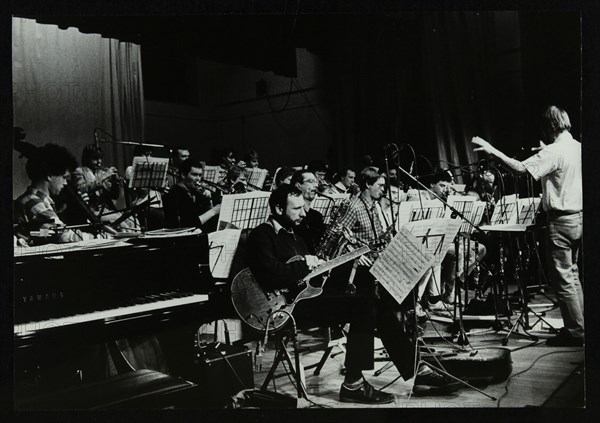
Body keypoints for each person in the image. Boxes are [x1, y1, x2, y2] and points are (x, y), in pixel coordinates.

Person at [246, 185, 395, 403]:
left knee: (372, 300)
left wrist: (331, 266)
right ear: (278, 208)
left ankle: (413, 365)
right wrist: (306, 263)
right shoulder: (262, 235)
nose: (304, 213)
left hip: (306, 298)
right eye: (296, 208)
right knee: (363, 306)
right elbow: (271, 275)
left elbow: (310, 278)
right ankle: (354, 385)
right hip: (284, 308)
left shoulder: (295, 237)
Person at [331, 167, 460, 396]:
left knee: (395, 303)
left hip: (374, 267)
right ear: (368, 185)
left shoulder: (374, 207)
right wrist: (357, 250)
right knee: (380, 311)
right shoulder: (354, 206)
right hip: (357, 272)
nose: (383, 189)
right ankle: (414, 366)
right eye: (380, 185)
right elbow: (338, 235)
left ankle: (416, 358)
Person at [472, 105, 583, 347]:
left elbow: (520, 169)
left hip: (561, 221)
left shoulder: (554, 151)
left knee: (564, 279)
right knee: (573, 276)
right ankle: (580, 325)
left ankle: (575, 332)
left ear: (549, 126)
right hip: (580, 218)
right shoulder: (577, 147)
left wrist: (492, 151)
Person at [14, 143, 98, 244]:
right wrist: (97, 237)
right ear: (49, 175)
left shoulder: (41, 201)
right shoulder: (33, 202)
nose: (66, 183)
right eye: (64, 177)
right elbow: (62, 235)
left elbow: (45, 232)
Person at [162, 158, 221, 231]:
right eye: (195, 175)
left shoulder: (195, 193)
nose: (198, 179)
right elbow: (190, 224)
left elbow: (208, 220)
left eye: (200, 175)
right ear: (183, 175)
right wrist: (214, 211)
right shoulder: (175, 194)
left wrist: (209, 201)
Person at [72, 144, 121, 217]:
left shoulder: (101, 172)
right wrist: (104, 177)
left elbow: (114, 196)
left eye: (100, 158)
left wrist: (115, 183)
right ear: (87, 158)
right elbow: (82, 189)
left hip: (105, 209)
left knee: (131, 221)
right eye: (95, 158)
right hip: (91, 211)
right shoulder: (79, 171)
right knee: (120, 222)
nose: (99, 161)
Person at [290, 170, 327, 255]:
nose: (316, 185)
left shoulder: (317, 216)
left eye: (315, 182)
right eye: (310, 181)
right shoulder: (293, 216)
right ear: (298, 186)